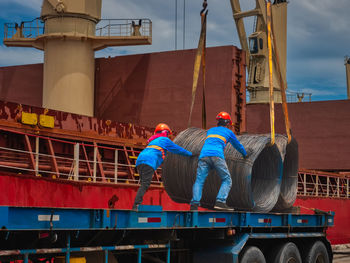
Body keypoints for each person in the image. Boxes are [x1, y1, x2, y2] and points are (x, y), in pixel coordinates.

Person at [190, 112, 248, 211]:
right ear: (227, 123)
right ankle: (220, 202)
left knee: (199, 181)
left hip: (204, 156)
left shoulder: (210, 130)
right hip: (217, 156)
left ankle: (194, 204)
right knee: (227, 180)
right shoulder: (229, 132)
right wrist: (245, 154)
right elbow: (237, 145)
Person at [133, 123, 192, 210]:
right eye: (168, 134)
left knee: (143, 184)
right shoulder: (165, 140)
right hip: (149, 161)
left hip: (139, 161)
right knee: (145, 184)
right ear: (165, 133)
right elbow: (177, 149)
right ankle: (136, 205)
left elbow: (163, 152)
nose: (168, 136)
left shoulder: (153, 141)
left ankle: (137, 204)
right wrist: (190, 154)